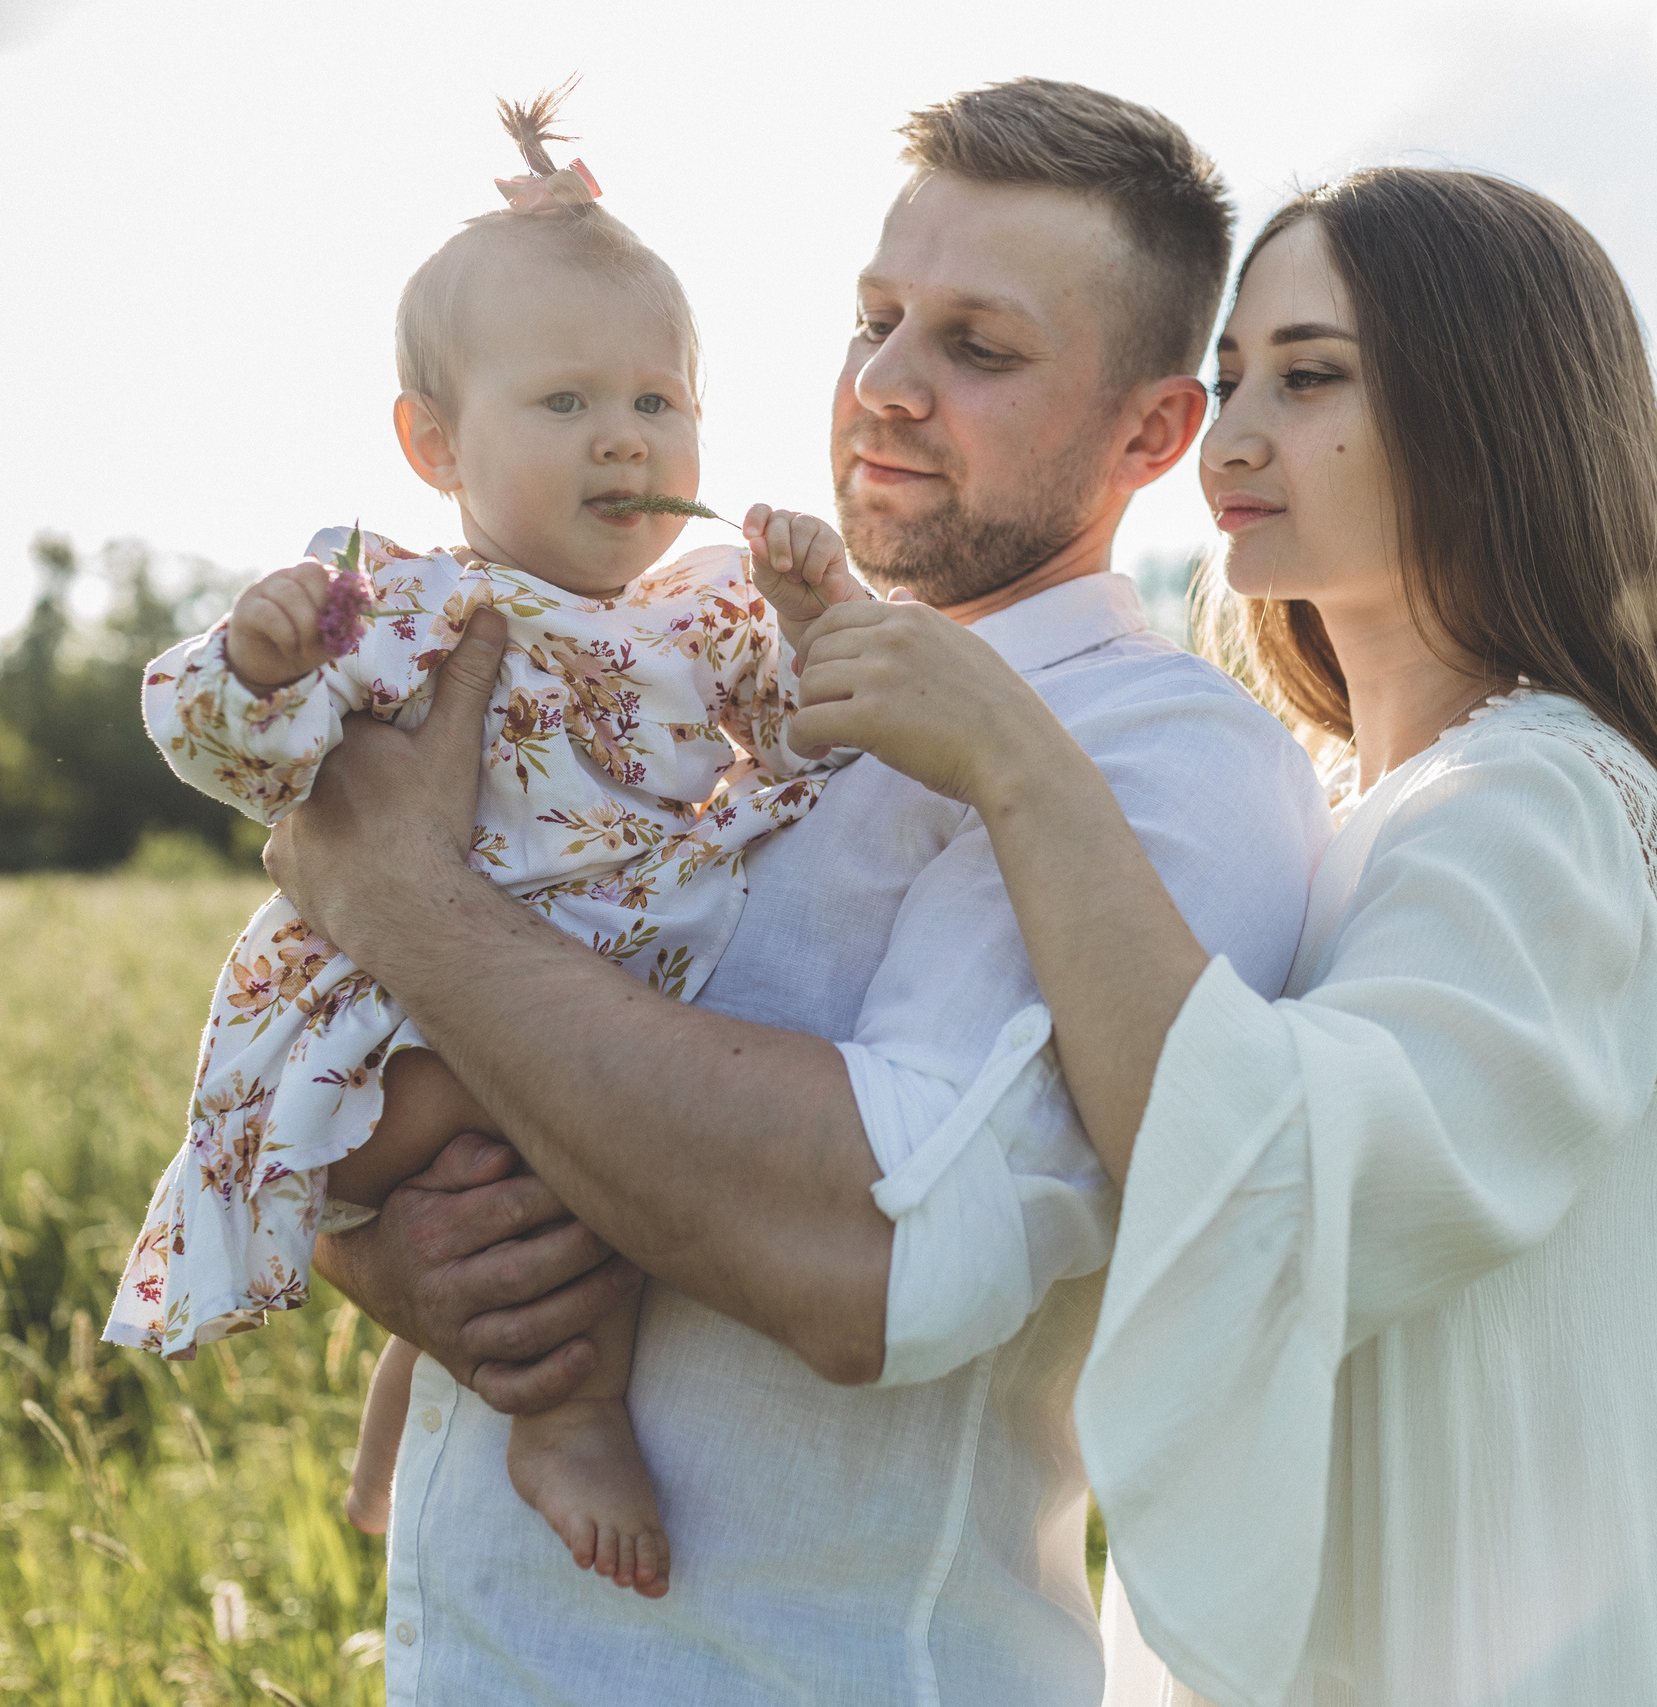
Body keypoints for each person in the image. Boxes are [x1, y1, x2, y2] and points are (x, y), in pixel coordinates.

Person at [263, 81, 1330, 1704]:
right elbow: (440, 1033)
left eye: (977, 348)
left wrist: (401, 899)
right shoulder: (696, 651)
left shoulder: (1157, 755)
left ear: (1150, 434)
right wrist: (388, 1247)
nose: (885, 389)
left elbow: (876, 1258)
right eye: (874, 319)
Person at [788, 169, 1657, 1704]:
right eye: (1227, 379)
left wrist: (1016, 762)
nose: (1238, 433)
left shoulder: (1545, 799)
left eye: (1313, 375)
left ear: (1492, 410)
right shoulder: (1345, 805)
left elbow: (1270, 1174)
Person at [102, 89, 868, 1600]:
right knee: (544, 1128)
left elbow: (809, 746)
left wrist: (815, 615)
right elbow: (237, 759)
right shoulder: (398, 608)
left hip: (573, 987)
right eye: (566, 404)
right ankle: (566, 1416)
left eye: (659, 401)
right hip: (387, 1033)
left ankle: (414, 1413)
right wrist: (254, 668)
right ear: (434, 443)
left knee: (594, 1119)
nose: (624, 440)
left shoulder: (704, 605)